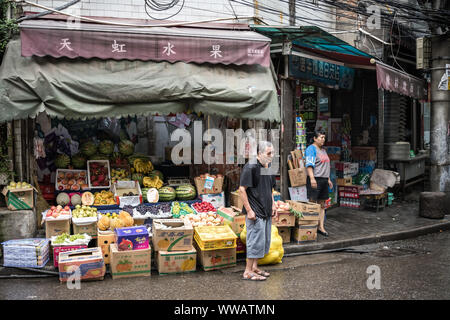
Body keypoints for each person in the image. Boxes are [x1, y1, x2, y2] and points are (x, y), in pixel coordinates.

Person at [239, 141, 277, 281]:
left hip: (266, 210)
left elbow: (270, 189)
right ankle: (247, 271)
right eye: (268, 153)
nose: (271, 156)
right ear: (259, 154)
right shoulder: (251, 167)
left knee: (262, 241)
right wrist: (249, 211)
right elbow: (242, 189)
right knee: (254, 241)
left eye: (272, 153)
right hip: (255, 211)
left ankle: (254, 267)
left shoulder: (268, 166)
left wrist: (273, 205)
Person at [305, 130, 332, 237]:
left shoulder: (323, 150)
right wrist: (312, 178)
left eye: (324, 137)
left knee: (322, 205)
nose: (323, 139)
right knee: (312, 203)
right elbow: (309, 165)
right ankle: (311, 226)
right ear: (315, 139)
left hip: (324, 180)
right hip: (315, 179)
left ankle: (321, 227)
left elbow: (325, 165)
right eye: (321, 137)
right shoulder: (311, 149)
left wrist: (328, 179)